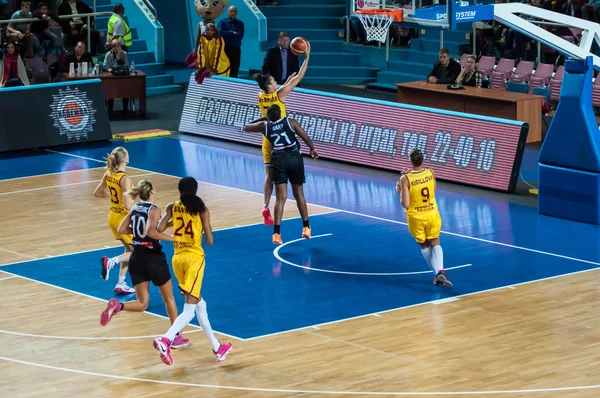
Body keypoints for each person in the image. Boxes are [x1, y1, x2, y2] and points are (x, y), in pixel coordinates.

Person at [99, 180, 190, 349]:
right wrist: (174, 239)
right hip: (153, 258)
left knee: (142, 304)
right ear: (151, 192)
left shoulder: (134, 208)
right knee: (169, 299)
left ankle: (118, 306)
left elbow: (121, 229)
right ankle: (175, 337)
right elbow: (151, 232)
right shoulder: (154, 209)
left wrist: (137, 232)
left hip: (136, 258)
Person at [152, 177, 232, 365]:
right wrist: (207, 227)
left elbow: (159, 228)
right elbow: (210, 241)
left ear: (180, 190)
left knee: (199, 304)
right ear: (195, 191)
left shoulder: (172, 206)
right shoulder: (201, 208)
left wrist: (175, 224)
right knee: (189, 308)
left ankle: (216, 347)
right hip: (194, 259)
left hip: (177, 259)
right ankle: (166, 339)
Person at [251, 45, 310, 226]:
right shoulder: (279, 94)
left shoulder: (261, 96)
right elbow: (300, 77)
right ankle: (295, 218)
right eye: (274, 81)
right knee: (291, 183)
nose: (277, 82)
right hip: (282, 141)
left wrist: (285, 83)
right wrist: (307, 56)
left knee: (268, 174)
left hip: (267, 138)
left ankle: (265, 205)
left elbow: (274, 90)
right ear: (270, 85)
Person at [243, 104, 319, 244]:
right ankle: (306, 227)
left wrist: (263, 119)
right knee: (299, 195)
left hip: (278, 161)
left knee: (280, 199)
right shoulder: (290, 122)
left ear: (269, 116)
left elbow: (246, 127)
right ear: (281, 113)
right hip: (294, 159)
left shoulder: (264, 126)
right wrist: (312, 149)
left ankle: (277, 234)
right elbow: (305, 137)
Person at [396, 149, 452, 289]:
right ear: (422, 160)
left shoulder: (405, 179)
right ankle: (440, 272)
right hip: (432, 213)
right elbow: (432, 190)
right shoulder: (431, 172)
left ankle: (437, 273)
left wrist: (400, 189)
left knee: (424, 245)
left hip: (416, 217)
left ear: (410, 161)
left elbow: (405, 203)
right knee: (435, 241)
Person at [93, 147, 135, 294]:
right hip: (124, 219)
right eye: (127, 154)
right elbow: (127, 205)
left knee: (129, 250)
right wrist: (144, 209)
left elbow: (97, 193)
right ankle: (111, 262)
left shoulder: (109, 173)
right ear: (123, 159)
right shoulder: (124, 178)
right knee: (138, 253)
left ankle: (121, 283)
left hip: (113, 217)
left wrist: (112, 196)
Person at [217, 5, 244, 78]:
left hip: (236, 49)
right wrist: (231, 33)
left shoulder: (240, 23)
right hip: (225, 49)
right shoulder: (222, 22)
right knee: (225, 68)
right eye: (231, 11)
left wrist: (227, 34)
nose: (233, 13)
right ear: (227, 12)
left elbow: (240, 35)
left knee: (235, 68)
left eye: (234, 11)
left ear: (237, 13)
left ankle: (234, 85)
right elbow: (220, 33)